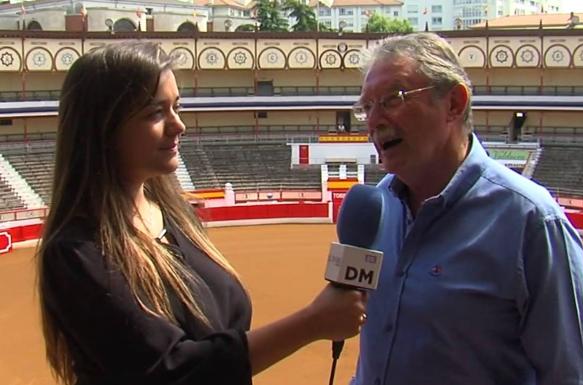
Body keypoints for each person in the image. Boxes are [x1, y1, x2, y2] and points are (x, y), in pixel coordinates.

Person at [36, 41, 367, 385]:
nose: (178, 126)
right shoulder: (76, 253)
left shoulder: (175, 216)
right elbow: (173, 372)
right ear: (103, 128)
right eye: (155, 113)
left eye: (177, 107)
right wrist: (311, 323)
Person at [350, 33, 583, 385]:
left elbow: (568, 377)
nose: (375, 121)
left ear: (454, 102)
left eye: (393, 99)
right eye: (367, 106)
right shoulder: (375, 207)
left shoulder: (532, 221)